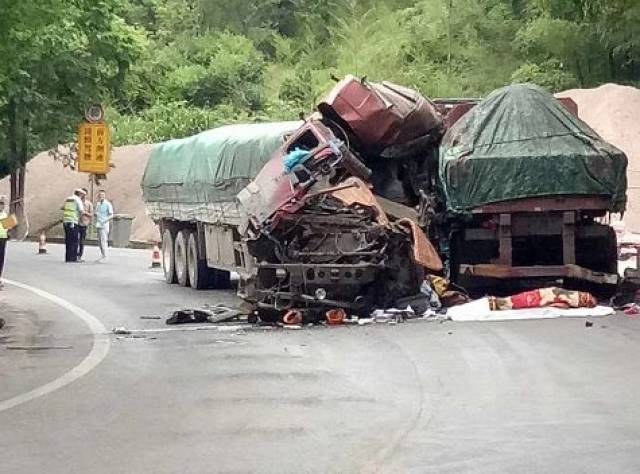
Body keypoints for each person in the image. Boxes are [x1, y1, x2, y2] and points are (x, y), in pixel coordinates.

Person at [62, 189, 85, 262]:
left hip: (65, 221)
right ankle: (74, 257)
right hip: (73, 222)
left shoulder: (68, 199)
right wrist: (80, 219)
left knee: (68, 240)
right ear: (80, 194)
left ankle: (68, 257)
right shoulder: (78, 200)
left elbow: (63, 207)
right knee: (74, 240)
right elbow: (81, 211)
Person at [94, 190, 113, 262]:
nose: (101, 196)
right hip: (98, 224)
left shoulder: (108, 204)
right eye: (100, 195)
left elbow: (111, 215)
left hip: (104, 224)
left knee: (103, 240)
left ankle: (105, 256)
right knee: (99, 241)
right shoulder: (98, 204)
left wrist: (105, 220)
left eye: (102, 195)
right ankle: (102, 255)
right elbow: (97, 212)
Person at [77, 187, 93, 262]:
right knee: (75, 239)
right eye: (82, 194)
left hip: (84, 223)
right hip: (76, 222)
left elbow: (91, 214)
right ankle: (75, 254)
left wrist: (85, 213)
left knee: (81, 240)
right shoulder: (77, 201)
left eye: (84, 194)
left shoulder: (89, 203)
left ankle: (80, 255)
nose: (83, 195)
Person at [0, 196, 9, 288]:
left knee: (1, 259)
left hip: (3, 238)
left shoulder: (4, 214)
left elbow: (9, 227)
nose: (2, 206)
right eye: (0, 204)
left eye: (3, 204)